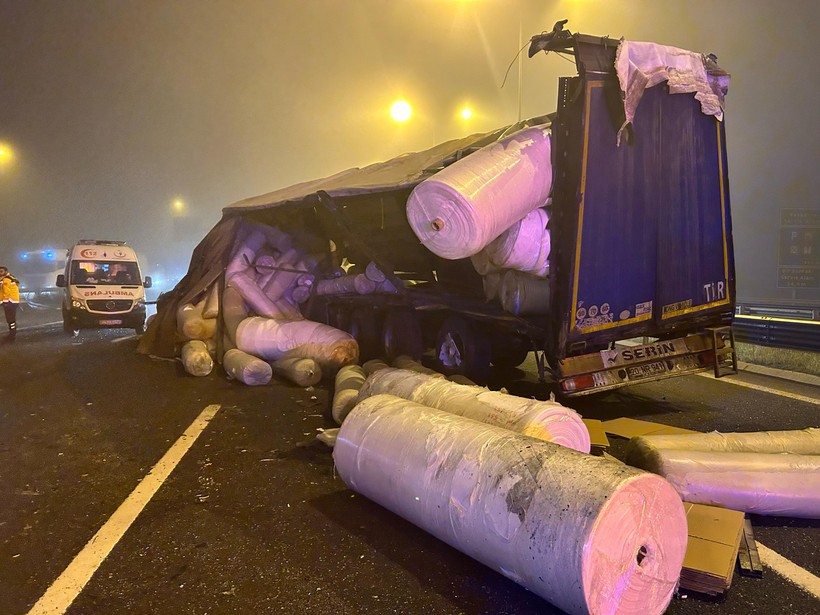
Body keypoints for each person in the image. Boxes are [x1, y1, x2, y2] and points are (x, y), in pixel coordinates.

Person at [0, 265, 20, 343]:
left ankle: (12, 335)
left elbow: (6, 292)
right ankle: (12, 334)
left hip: (10, 302)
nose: (0, 273)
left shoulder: (6, 280)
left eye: (1, 271)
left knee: (10, 319)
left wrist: (5, 302)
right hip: (13, 302)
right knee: (11, 319)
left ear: (6, 272)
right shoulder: (11, 278)